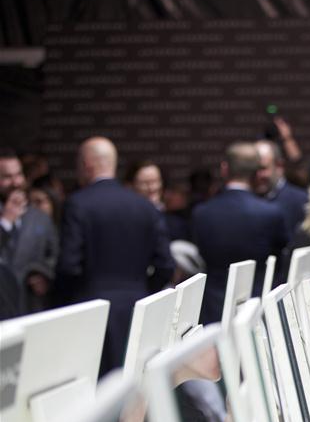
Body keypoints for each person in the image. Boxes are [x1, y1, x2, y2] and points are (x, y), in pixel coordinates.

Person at [56, 138, 173, 373]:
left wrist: (65, 300)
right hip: (139, 309)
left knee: (97, 391)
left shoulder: (77, 204)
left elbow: (69, 266)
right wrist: (142, 291)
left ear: (87, 164)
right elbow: (166, 265)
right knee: (137, 389)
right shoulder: (145, 206)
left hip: (91, 311)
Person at [192, 142, 289, 325]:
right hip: (257, 307)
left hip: (214, 306)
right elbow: (280, 256)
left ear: (224, 169)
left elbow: (201, 253)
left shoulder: (202, 212)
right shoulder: (270, 213)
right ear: (256, 173)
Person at [0, 151, 59, 313]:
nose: (15, 182)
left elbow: (54, 254)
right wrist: (5, 222)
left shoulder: (39, 217)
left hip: (30, 307)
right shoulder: (4, 219)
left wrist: (45, 274)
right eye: (7, 177)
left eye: (18, 175)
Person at [254, 139, 309, 235]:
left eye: (263, 168)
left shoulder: (301, 201)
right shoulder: (247, 199)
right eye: (253, 169)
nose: (257, 175)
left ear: (279, 166)